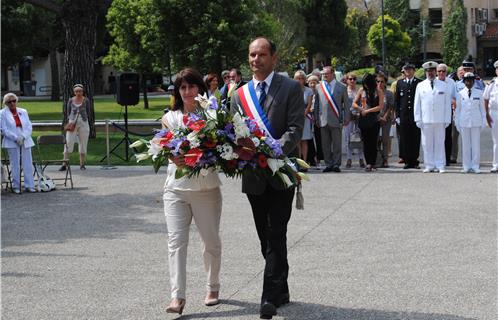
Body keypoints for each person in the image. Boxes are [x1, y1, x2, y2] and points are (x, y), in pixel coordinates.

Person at [231, 37, 303, 319]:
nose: (255, 60)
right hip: (253, 176)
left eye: (261, 54)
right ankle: (281, 288)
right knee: (265, 235)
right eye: (251, 55)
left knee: (276, 232)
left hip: (281, 171)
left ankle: (268, 297)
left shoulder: (291, 88)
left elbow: (296, 128)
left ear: (274, 57)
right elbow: (235, 132)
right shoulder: (240, 94)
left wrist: (273, 148)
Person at [162, 68, 223, 315]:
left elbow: (221, 151)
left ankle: (213, 286)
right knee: (176, 242)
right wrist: (172, 155)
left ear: (200, 88)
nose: (187, 92)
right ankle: (177, 296)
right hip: (175, 190)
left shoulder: (213, 116)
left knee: (210, 241)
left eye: (192, 86)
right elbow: (162, 146)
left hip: (206, 189)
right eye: (183, 87)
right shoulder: (170, 118)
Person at [414, 61, 453, 173]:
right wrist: (418, 118)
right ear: (425, 72)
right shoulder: (420, 86)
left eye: (432, 71)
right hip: (426, 119)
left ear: (435, 72)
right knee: (426, 143)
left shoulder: (443, 85)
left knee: (440, 142)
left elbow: (447, 104)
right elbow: (417, 104)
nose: (430, 73)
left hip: (440, 119)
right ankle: (429, 165)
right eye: (428, 71)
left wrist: (447, 119)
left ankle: (440, 165)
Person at [315, 66, 351, 173]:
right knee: (325, 144)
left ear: (332, 74)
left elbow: (347, 105)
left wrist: (347, 117)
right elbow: (316, 104)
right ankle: (328, 163)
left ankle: (336, 164)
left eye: (326, 74)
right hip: (323, 119)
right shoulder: (319, 87)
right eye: (323, 74)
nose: (324, 76)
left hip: (336, 119)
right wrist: (316, 118)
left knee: (336, 144)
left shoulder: (342, 87)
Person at [0, 93, 36, 193]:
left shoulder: (23, 111)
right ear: (5, 103)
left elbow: (29, 126)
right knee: (15, 164)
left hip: (25, 140)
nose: (12, 103)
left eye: (14, 101)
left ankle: (30, 185)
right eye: (9, 102)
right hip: (11, 141)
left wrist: (23, 137)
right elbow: (3, 129)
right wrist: (16, 138)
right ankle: (16, 186)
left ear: (16, 101)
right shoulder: (2, 113)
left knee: (28, 163)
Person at [455, 72, 486, 173]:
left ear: (474, 81)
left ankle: (475, 166)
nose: (469, 82)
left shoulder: (479, 93)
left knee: (476, 145)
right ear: (464, 82)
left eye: (471, 80)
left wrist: (483, 122)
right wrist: (457, 123)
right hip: (464, 122)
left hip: (476, 122)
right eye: (467, 81)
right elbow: (458, 110)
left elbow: (482, 110)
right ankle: (466, 166)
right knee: (466, 145)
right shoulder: (460, 94)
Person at [353, 73, 384, 172]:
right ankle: (368, 163)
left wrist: (368, 110)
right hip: (364, 119)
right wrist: (360, 108)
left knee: (373, 142)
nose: (365, 85)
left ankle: (373, 163)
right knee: (365, 142)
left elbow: (380, 106)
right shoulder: (361, 90)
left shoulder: (378, 91)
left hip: (374, 119)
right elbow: (354, 103)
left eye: (367, 83)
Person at [395, 62, 422, 169]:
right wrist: (397, 115)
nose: (408, 71)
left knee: (415, 137)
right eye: (406, 70)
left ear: (414, 71)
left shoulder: (419, 83)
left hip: (415, 114)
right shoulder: (400, 83)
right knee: (405, 138)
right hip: (404, 115)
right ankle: (406, 160)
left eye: (410, 69)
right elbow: (397, 100)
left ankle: (414, 160)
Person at [61, 84, 90, 171]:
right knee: (69, 141)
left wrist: (84, 117)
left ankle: (82, 164)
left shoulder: (86, 100)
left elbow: (88, 110)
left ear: (82, 91)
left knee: (83, 142)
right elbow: (68, 111)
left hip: (83, 121)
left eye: (80, 91)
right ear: (74, 92)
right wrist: (70, 120)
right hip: (72, 122)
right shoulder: (71, 100)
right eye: (76, 91)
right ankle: (64, 164)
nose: (78, 93)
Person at [437, 64, 457, 166]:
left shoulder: (451, 82)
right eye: (439, 71)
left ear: (446, 72)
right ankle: (438, 158)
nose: (441, 73)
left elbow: (455, 97)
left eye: (443, 71)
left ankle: (447, 158)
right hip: (436, 111)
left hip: (447, 110)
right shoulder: (434, 82)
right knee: (437, 136)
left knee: (447, 136)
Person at [343, 72, 365, 168]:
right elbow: (342, 105)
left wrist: (359, 113)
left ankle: (361, 158)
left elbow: (362, 104)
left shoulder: (359, 91)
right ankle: (349, 158)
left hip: (358, 117)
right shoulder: (344, 91)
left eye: (354, 79)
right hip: (348, 118)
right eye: (350, 79)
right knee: (348, 139)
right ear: (347, 80)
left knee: (359, 138)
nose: (352, 81)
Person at [293, 70, 313, 167]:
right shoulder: (291, 90)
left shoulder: (308, 90)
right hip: (294, 118)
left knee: (304, 140)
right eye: (297, 78)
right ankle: (298, 162)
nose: (299, 80)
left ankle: (304, 163)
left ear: (304, 80)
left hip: (305, 118)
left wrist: (303, 115)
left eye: (301, 78)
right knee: (297, 141)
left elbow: (309, 104)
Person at [376, 72, 394, 168]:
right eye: (377, 81)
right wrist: (378, 117)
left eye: (381, 82)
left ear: (385, 83)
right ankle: (379, 159)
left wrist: (385, 117)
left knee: (385, 140)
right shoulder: (374, 93)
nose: (379, 83)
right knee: (377, 140)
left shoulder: (389, 93)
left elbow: (391, 107)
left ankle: (386, 159)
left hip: (386, 120)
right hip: (376, 119)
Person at [483, 60, 498, 172]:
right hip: (495, 113)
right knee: (496, 140)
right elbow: (486, 99)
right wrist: (487, 115)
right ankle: (496, 164)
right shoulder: (492, 84)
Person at [306, 74, 324, 167]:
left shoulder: (320, 93)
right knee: (309, 139)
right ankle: (311, 158)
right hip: (308, 118)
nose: (312, 84)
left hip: (317, 118)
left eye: (314, 82)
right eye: (310, 82)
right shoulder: (306, 93)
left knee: (318, 139)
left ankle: (319, 158)